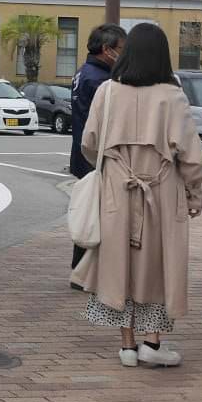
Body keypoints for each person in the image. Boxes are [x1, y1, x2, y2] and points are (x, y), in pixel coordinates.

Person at [73, 23, 202, 368]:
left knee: (120, 266)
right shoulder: (172, 95)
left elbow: (89, 144)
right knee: (159, 266)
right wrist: (194, 192)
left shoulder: (107, 91)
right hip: (161, 192)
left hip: (117, 193)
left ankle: (128, 346)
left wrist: (115, 168)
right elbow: (191, 156)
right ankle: (154, 342)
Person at [70, 23, 127, 271]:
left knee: (90, 212)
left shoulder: (84, 72)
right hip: (96, 156)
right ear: (107, 49)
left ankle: (81, 267)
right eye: (121, 49)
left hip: (82, 153)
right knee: (97, 216)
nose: (123, 55)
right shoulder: (101, 80)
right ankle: (86, 270)